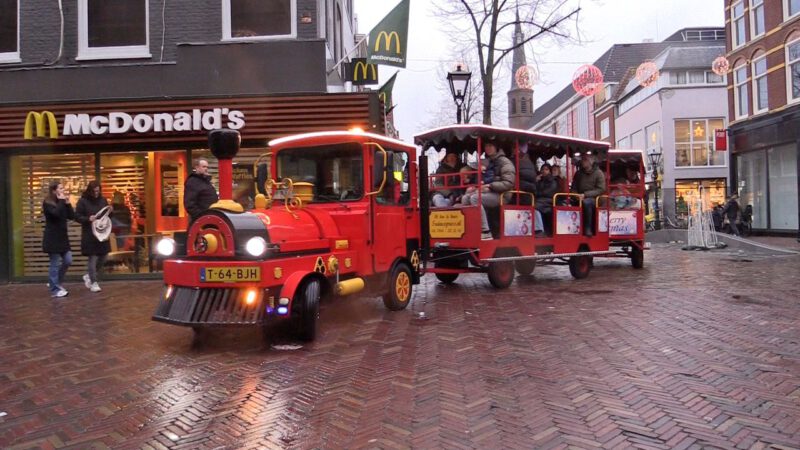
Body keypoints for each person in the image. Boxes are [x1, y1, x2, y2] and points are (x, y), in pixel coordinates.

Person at [461, 141, 515, 239]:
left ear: (496, 147)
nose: (488, 148)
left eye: (490, 146)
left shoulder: (505, 162)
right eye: (486, 146)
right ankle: (469, 230)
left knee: (475, 198)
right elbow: (482, 180)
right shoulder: (487, 162)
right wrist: (474, 186)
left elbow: (509, 183)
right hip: (488, 191)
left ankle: (485, 231)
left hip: (502, 194)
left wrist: (490, 186)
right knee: (465, 198)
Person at [75, 181, 111, 292]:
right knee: (93, 257)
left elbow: (106, 214)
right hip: (89, 234)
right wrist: (87, 219)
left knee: (103, 256)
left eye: (98, 191)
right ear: (90, 191)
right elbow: (77, 216)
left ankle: (89, 275)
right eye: (94, 191)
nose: (96, 193)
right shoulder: (82, 201)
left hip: (101, 232)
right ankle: (94, 282)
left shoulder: (103, 200)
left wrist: (111, 211)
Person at [42, 180, 75, 298]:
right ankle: (55, 289)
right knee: (55, 263)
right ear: (54, 190)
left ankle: (56, 282)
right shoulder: (47, 203)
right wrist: (61, 201)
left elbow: (71, 216)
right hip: (52, 238)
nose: (63, 190)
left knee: (68, 260)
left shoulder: (61, 202)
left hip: (62, 237)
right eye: (60, 189)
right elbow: (55, 214)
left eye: (63, 188)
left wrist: (67, 203)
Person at [571, 153, 606, 236]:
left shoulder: (599, 173)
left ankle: (588, 228)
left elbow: (601, 189)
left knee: (587, 202)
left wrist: (585, 195)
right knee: (565, 203)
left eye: (585, 160)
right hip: (579, 197)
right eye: (582, 159)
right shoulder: (578, 174)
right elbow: (573, 188)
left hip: (595, 199)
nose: (582, 162)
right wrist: (576, 196)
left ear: (591, 161)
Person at [184, 158, 219, 225]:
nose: (206, 169)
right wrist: (200, 216)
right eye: (203, 166)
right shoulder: (192, 182)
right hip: (201, 220)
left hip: (210, 217)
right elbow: (189, 204)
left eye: (207, 167)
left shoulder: (206, 181)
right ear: (197, 167)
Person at [534, 163, 559, 235]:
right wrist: (536, 181)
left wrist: (538, 193)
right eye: (542, 169)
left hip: (549, 201)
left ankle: (539, 229)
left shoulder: (553, 180)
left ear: (550, 171)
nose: (544, 171)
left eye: (546, 169)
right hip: (542, 200)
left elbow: (548, 193)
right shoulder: (540, 180)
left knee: (535, 206)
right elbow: (534, 189)